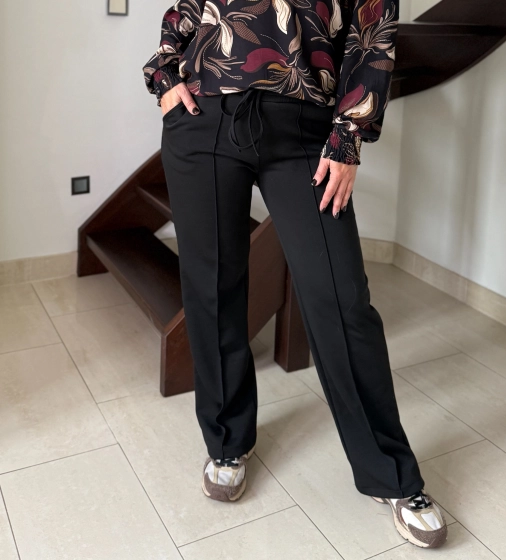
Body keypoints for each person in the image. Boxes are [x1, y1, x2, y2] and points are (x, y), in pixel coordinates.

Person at [142, 0, 447, 549]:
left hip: (305, 127)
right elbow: (186, 10)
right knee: (212, 291)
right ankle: (227, 441)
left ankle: (391, 474)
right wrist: (164, 73)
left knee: (342, 302)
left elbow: (373, 29)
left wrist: (349, 135)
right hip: (204, 117)